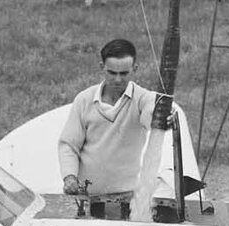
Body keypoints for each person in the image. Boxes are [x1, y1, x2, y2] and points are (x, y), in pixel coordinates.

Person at [58, 38, 165, 208]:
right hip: (86, 197)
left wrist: (160, 115)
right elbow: (69, 145)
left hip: (126, 198)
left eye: (124, 73)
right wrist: (69, 176)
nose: (117, 79)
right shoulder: (84, 99)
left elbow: (150, 115)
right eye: (112, 73)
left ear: (135, 69)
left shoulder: (143, 99)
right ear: (102, 67)